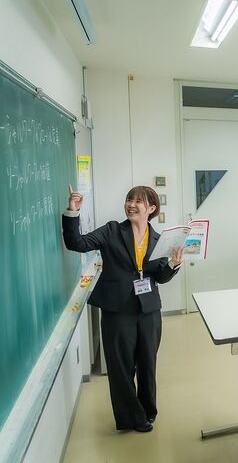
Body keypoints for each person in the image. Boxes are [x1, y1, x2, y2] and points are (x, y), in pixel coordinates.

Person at [62, 185, 183, 433]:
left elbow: (159, 277)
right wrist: (72, 212)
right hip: (118, 310)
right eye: (129, 199)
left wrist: (173, 264)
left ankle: (148, 410)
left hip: (148, 310)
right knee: (120, 367)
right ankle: (132, 418)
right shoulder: (112, 231)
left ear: (150, 209)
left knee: (148, 363)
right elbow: (77, 243)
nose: (131, 204)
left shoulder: (160, 240)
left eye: (138, 201)